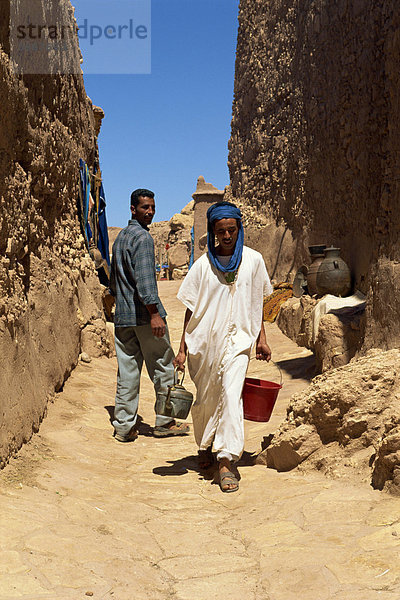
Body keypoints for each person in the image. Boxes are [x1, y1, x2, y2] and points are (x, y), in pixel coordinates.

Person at [174, 201, 273, 492]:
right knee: (206, 398)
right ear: (213, 232)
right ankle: (205, 444)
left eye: (231, 230)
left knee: (231, 396)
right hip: (205, 343)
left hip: (239, 342)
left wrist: (261, 339)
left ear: (239, 228)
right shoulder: (203, 265)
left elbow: (257, 304)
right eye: (221, 231)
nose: (227, 236)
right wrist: (182, 348)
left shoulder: (254, 261)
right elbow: (190, 309)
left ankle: (227, 460)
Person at [110, 188, 189, 442]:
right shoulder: (143, 238)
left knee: (128, 371)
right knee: (163, 366)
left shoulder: (121, 238)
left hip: (122, 317)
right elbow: (145, 282)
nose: (150, 212)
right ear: (133, 209)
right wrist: (154, 314)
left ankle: (124, 426)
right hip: (144, 317)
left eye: (152, 207)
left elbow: (114, 282)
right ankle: (165, 421)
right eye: (145, 207)